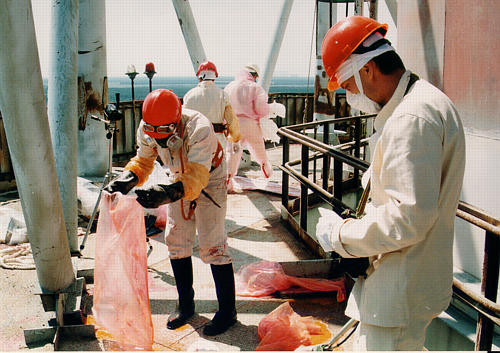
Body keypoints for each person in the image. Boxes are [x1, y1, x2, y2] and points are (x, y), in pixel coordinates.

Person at [316, 16, 465, 351]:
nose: (349, 95)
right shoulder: (421, 102)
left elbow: (408, 218)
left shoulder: (411, 119)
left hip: (398, 296)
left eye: (349, 85)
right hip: (406, 285)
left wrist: (339, 235)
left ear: (367, 69)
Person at [104, 89, 237, 336]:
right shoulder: (148, 127)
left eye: (164, 132)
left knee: (213, 245)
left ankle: (228, 311)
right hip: (178, 177)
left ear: (176, 121)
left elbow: (198, 176)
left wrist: (165, 194)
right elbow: (144, 160)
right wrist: (127, 179)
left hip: (211, 178)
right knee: (176, 241)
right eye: (153, 132)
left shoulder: (199, 127)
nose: (160, 139)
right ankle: (185, 304)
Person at [224, 64, 272, 192]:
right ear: (253, 75)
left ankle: (228, 180)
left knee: (232, 153)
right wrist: (268, 111)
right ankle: (265, 168)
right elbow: (261, 109)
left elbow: (224, 107)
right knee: (258, 147)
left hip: (234, 124)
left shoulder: (229, 87)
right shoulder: (255, 87)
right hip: (251, 124)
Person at [183, 61, 241, 151]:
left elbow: (183, 121)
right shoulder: (222, 95)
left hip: (195, 139)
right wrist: (235, 139)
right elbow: (232, 120)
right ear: (214, 77)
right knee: (218, 164)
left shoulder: (189, 95)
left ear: (199, 77)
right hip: (217, 139)